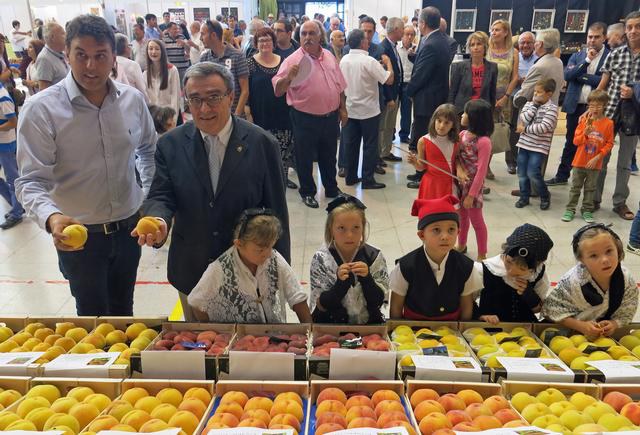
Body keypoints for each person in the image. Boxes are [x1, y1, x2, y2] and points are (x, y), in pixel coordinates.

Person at [16, 14, 156, 315]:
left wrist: (147, 196)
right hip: (79, 237)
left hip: (129, 230)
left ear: (114, 57)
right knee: (92, 317)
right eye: (81, 55)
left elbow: (148, 151)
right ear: (66, 54)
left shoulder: (132, 101)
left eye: (100, 56)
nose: (91, 66)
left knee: (124, 313)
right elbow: (30, 181)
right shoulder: (41, 110)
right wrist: (52, 217)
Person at [138, 62, 290, 321]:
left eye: (213, 97)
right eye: (195, 99)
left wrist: (277, 274)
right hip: (193, 271)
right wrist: (158, 219)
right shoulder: (170, 145)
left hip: (249, 273)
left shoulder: (262, 144)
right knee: (199, 344)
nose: (204, 108)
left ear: (231, 97)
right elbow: (161, 194)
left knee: (250, 344)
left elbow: (277, 214)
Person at [273, 20, 347, 209]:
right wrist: (288, 77)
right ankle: (307, 192)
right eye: (303, 34)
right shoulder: (292, 60)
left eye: (311, 33)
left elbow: (339, 84)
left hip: (330, 117)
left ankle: (331, 189)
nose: (307, 37)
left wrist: (343, 108)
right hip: (304, 118)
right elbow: (278, 90)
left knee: (329, 155)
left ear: (320, 36)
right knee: (304, 157)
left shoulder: (329, 55)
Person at [188, 209, 310, 323]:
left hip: (273, 333)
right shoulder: (220, 269)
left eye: (270, 246)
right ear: (239, 244)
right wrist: (213, 330)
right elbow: (196, 301)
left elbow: (297, 297)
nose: (268, 254)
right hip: (238, 336)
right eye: (260, 250)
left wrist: (309, 330)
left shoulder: (274, 258)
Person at [389, 195, 483, 320]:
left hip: (452, 328)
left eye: (451, 229)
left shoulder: (466, 266)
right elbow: (396, 307)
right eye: (436, 230)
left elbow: (466, 305)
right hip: (413, 327)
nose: (445, 236)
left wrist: (463, 329)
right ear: (422, 235)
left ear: (458, 232)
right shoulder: (405, 266)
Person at [542, 224, 638, 337]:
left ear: (618, 249)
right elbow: (549, 310)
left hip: (605, 338)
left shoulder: (626, 279)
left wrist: (614, 324)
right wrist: (580, 326)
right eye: (593, 255)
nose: (605, 260)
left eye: (609, 251)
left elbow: (628, 309)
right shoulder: (572, 282)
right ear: (581, 260)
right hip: (569, 336)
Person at [547, 22, 608, 187]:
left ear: (604, 37)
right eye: (590, 37)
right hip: (575, 106)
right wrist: (587, 61)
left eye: (596, 37)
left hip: (595, 110)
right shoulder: (578, 55)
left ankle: (585, 182)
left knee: (593, 144)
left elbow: (605, 81)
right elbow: (568, 75)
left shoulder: (609, 57)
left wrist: (581, 76)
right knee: (571, 142)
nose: (592, 40)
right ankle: (562, 176)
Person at [310, 194, 388, 324]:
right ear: (331, 229)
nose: (349, 235)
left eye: (356, 228)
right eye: (341, 228)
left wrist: (367, 279)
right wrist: (340, 285)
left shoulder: (374, 256)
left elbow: (378, 302)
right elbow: (322, 304)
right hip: (331, 326)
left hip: (368, 326)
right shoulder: (322, 258)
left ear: (363, 227)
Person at [595, 11, 640, 220]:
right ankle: (594, 198)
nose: (633, 31)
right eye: (630, 27)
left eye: (637, 26)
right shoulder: (615, 54)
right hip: (610, 112)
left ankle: (619, 202)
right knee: (601, 157)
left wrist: (634, 92)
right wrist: (593, 108)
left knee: (625, 161)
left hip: (634, 116)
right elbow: (603, 84)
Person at [511, 28, 564, 198]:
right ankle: (535, 188)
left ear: (539, 44)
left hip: (534, 115)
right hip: (551, 112)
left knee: (528, 154)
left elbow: (525, 93)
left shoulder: (539, 66)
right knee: (541, 154)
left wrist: (515, 99)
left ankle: (529, 190)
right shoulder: (558, 62)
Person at [341, 29, 393, 190]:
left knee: (351, 145)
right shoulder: (369, 61)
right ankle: (367, 179)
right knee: (370, 146)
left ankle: (350, 177)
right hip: (369, 111)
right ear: (363, 42)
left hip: (350, 109)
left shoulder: (344, 60)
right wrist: (388, 63)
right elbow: (389, 80)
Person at [406, 7, 451, 186]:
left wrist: (409, 92)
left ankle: (423, 175)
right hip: (435, 96)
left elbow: (421, 74)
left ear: (423, 23)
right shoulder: (441, 39)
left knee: (424, 139)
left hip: (427, 99)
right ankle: (421, 172)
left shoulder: (431, 43)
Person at [246, 27, 296, 190]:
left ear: (274, 43)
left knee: (283, 152)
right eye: (261, 40)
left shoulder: (283, 61)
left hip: (282, 115)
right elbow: (245, 90)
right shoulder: (250, 63)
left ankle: (281, 182)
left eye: (268, 40)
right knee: (262, 153)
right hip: (260, 115)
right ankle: (265, 185)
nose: (265, 43)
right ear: (256, 44)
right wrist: (247, 111)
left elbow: (290, 85)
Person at [476, 223, 553, 324]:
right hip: (492, 327)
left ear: (536, 266)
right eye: (508, 262)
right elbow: (466, 303)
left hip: (525, 328)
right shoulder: (488, 269)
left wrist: (530, 295)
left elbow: (537, 309)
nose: (511, 271)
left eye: (521, 269)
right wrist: (480, 316)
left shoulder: (537, 275)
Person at [561, 90, 613, 223]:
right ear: (588, 106)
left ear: (605, 105)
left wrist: (598, 157)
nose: (595, 109)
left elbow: (609, 143)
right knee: (575, 187)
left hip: (595, 164)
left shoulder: (608, 123)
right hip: (579, 162)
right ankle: (570, 209)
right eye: (592, 106)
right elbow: (575, 141)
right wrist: (585, 133)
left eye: (599, 106)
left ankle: (587, 210)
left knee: (590, 189)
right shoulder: (584, 121)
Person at [456, 99, 494, 260]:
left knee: (477, 221)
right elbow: (456, 158)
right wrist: (459, 170)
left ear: (474, 118)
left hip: (473, 187)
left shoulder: (484, 142)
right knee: (461, 218)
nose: (462, 115)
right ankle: (461, 244)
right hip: (460, 184)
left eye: (466, 113)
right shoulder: (462, 135)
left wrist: (471, 195)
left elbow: (481, 171)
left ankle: (482, 254)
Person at [515, 78, 559, 211]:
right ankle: (524, 196)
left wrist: (525, 129)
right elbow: (524, 118)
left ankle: (544, 195)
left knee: (533, 172)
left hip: (539, 147)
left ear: (549, 94)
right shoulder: (529, 104)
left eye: (539, 92)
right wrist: (534, 106)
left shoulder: (552, 109)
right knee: (521, 173)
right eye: (535, 91)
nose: (535, 94)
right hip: (524, 144)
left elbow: (543, 128)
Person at [486, 19, 519, 180]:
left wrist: (506, 96)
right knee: (482, 131)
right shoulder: (486, 49)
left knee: (494, 131)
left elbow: (515, 77)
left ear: (506, 32)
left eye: (498, 29)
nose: (494, 32)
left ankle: (486, 164)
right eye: (492, 29)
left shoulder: (514, 52)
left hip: (503, 98)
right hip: (486, 96)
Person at [200, 19, 249, 117]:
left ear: (213, 35)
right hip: (213, 115)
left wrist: (236, 116)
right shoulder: (204, 58)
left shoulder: (237, 56)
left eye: (202, 34)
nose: (200, 38)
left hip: (234, 114)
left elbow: (245, 90)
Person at [407, 104, 459, 198]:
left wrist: (461, 171)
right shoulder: (423, 141)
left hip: (449, 184)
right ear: (434, 120)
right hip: (430, 185)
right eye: (439, 121)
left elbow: (457, 161)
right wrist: (414, 162)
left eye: (447, 123)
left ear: (453, 125)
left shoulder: (456, 141)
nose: (442, 126)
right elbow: (421, 167)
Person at [506, 32, 538, 174]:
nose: (525, 45)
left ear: (534, 44)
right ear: (518, 45)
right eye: (522, 43)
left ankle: (525, 162)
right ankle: (511, 162)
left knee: (529, 130)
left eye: (528, 42)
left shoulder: (539, 59)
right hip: (515, 98)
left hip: (532, 100)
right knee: (513, 131)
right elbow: (507, 76)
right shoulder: (514, 58)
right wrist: (518, 80)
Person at [448, 31, 497, 115]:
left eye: (479, 44)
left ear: (485, 46)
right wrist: (450, 113)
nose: (475, 47)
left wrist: (491, 113)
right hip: (461, 111)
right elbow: (452, 92)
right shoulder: (459, 67)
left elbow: (492, 94)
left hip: (483, 111)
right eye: (472, 45)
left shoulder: (492, 67)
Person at [378, 17, 404, 163]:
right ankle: (381, 153)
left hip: (395, 93)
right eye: (402, 29)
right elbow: (384, 77)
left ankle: (386, 151)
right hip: (389, 96)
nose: (403, 32)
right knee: (384, 126)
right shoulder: (384, 48)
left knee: (390, 126)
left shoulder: (392, 46)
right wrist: (389, 98)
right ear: (396, 29)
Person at [0, 75, 23, 230]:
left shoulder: (3, 97)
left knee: (12, 179)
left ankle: (17, 212)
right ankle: (17, 206)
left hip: (6, 143)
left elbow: (13, 122)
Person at [143, 39, 180, 124]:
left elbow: (175, 96)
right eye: (150, 48)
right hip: (153, 117)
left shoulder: (172, 70)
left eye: (157, 49)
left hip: (169, 116)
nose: (153, 52)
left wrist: (173, 119)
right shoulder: (145, 73)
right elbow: (146, 98)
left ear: (162, 51)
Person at [397, 25, 416, 144]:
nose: (409, 37)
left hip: (409, 84)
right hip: (397, 83)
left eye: (412, 34)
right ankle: (390, 134)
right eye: (406, 34)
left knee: (406, 112)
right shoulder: (396, 48)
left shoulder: (417, 49)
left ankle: (404, 135)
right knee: (393, 111)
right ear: (402, 35)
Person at [35, 23, 68, 90]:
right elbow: (44, 90)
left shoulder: (61, 53)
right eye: (63, 33)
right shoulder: (44, 59)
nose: (66, 36)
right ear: (52, 37)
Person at [114, 34, 148, 100]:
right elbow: (142, 90)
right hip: (131, 102)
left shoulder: (109, 64)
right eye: (129, 45)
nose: (130, 48)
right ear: (126, 48)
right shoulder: (133, 65)